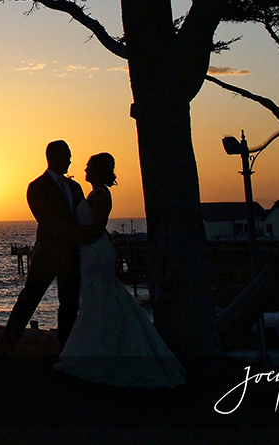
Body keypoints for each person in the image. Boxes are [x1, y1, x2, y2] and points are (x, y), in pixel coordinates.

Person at [53, 153, 185, 387]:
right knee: (97, 301)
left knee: (97, 301)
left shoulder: (100, 196)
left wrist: (67, 230)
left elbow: (96, 229)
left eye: (89, 166)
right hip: (91, 252)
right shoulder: (94, 194)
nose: (85, 169)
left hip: (96, 253)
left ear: (97, 170)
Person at [0, 140, 84, 354]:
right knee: (29, 298)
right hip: (48, 253)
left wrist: (70, 231)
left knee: (69, 304)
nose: (70, 159)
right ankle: (6, 343)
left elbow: (79, 218)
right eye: (66, 155)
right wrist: (67, 229)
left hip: (70, 254)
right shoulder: (37, 186)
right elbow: (47, 220)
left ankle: (66, 348)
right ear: (53, 157)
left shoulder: (74, 187)